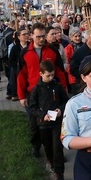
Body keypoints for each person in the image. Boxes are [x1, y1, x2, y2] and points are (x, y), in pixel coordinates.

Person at [17, 22, 68, 158]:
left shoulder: (52, 51)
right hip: (33, 94)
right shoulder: (25, 53)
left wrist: (63, 90)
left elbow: (60, 73)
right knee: (35, 125)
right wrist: (21, 96)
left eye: (43, 36)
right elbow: (21, 75)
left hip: (51, 94)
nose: (41, 39)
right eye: (38, 36)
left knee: (53, 124)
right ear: (31, 36)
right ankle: (36, 146)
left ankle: (57, 152)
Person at [29, 60, 69, 180]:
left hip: (57, 123)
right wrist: (42, 115)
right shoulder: (36, 90)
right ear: (41, 74)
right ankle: (51, 163)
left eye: (52, 74)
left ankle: (59, 173)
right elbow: (32, 107)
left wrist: (60, 110)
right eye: (48, 75)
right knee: (48, 147)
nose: (51, 77)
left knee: (58, 148)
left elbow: (66, 101)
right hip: (43, 124)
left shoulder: (57, 87)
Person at [8, 28, 30, 102]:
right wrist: (18, 64)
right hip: (19, 69)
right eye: (24, 34)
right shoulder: (15, 48)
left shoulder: (31, 46)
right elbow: (10, 61)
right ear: (19, 37)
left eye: (27, 34)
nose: (26, 36)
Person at [64, 27, 84, 94]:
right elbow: (66, 62)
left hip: (84, 73)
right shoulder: (68, 48)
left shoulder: (84, 46)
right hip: (73, 76)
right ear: (71, 37)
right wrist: (73, 71)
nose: (78, 38)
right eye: (75, 36)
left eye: (79, 36)